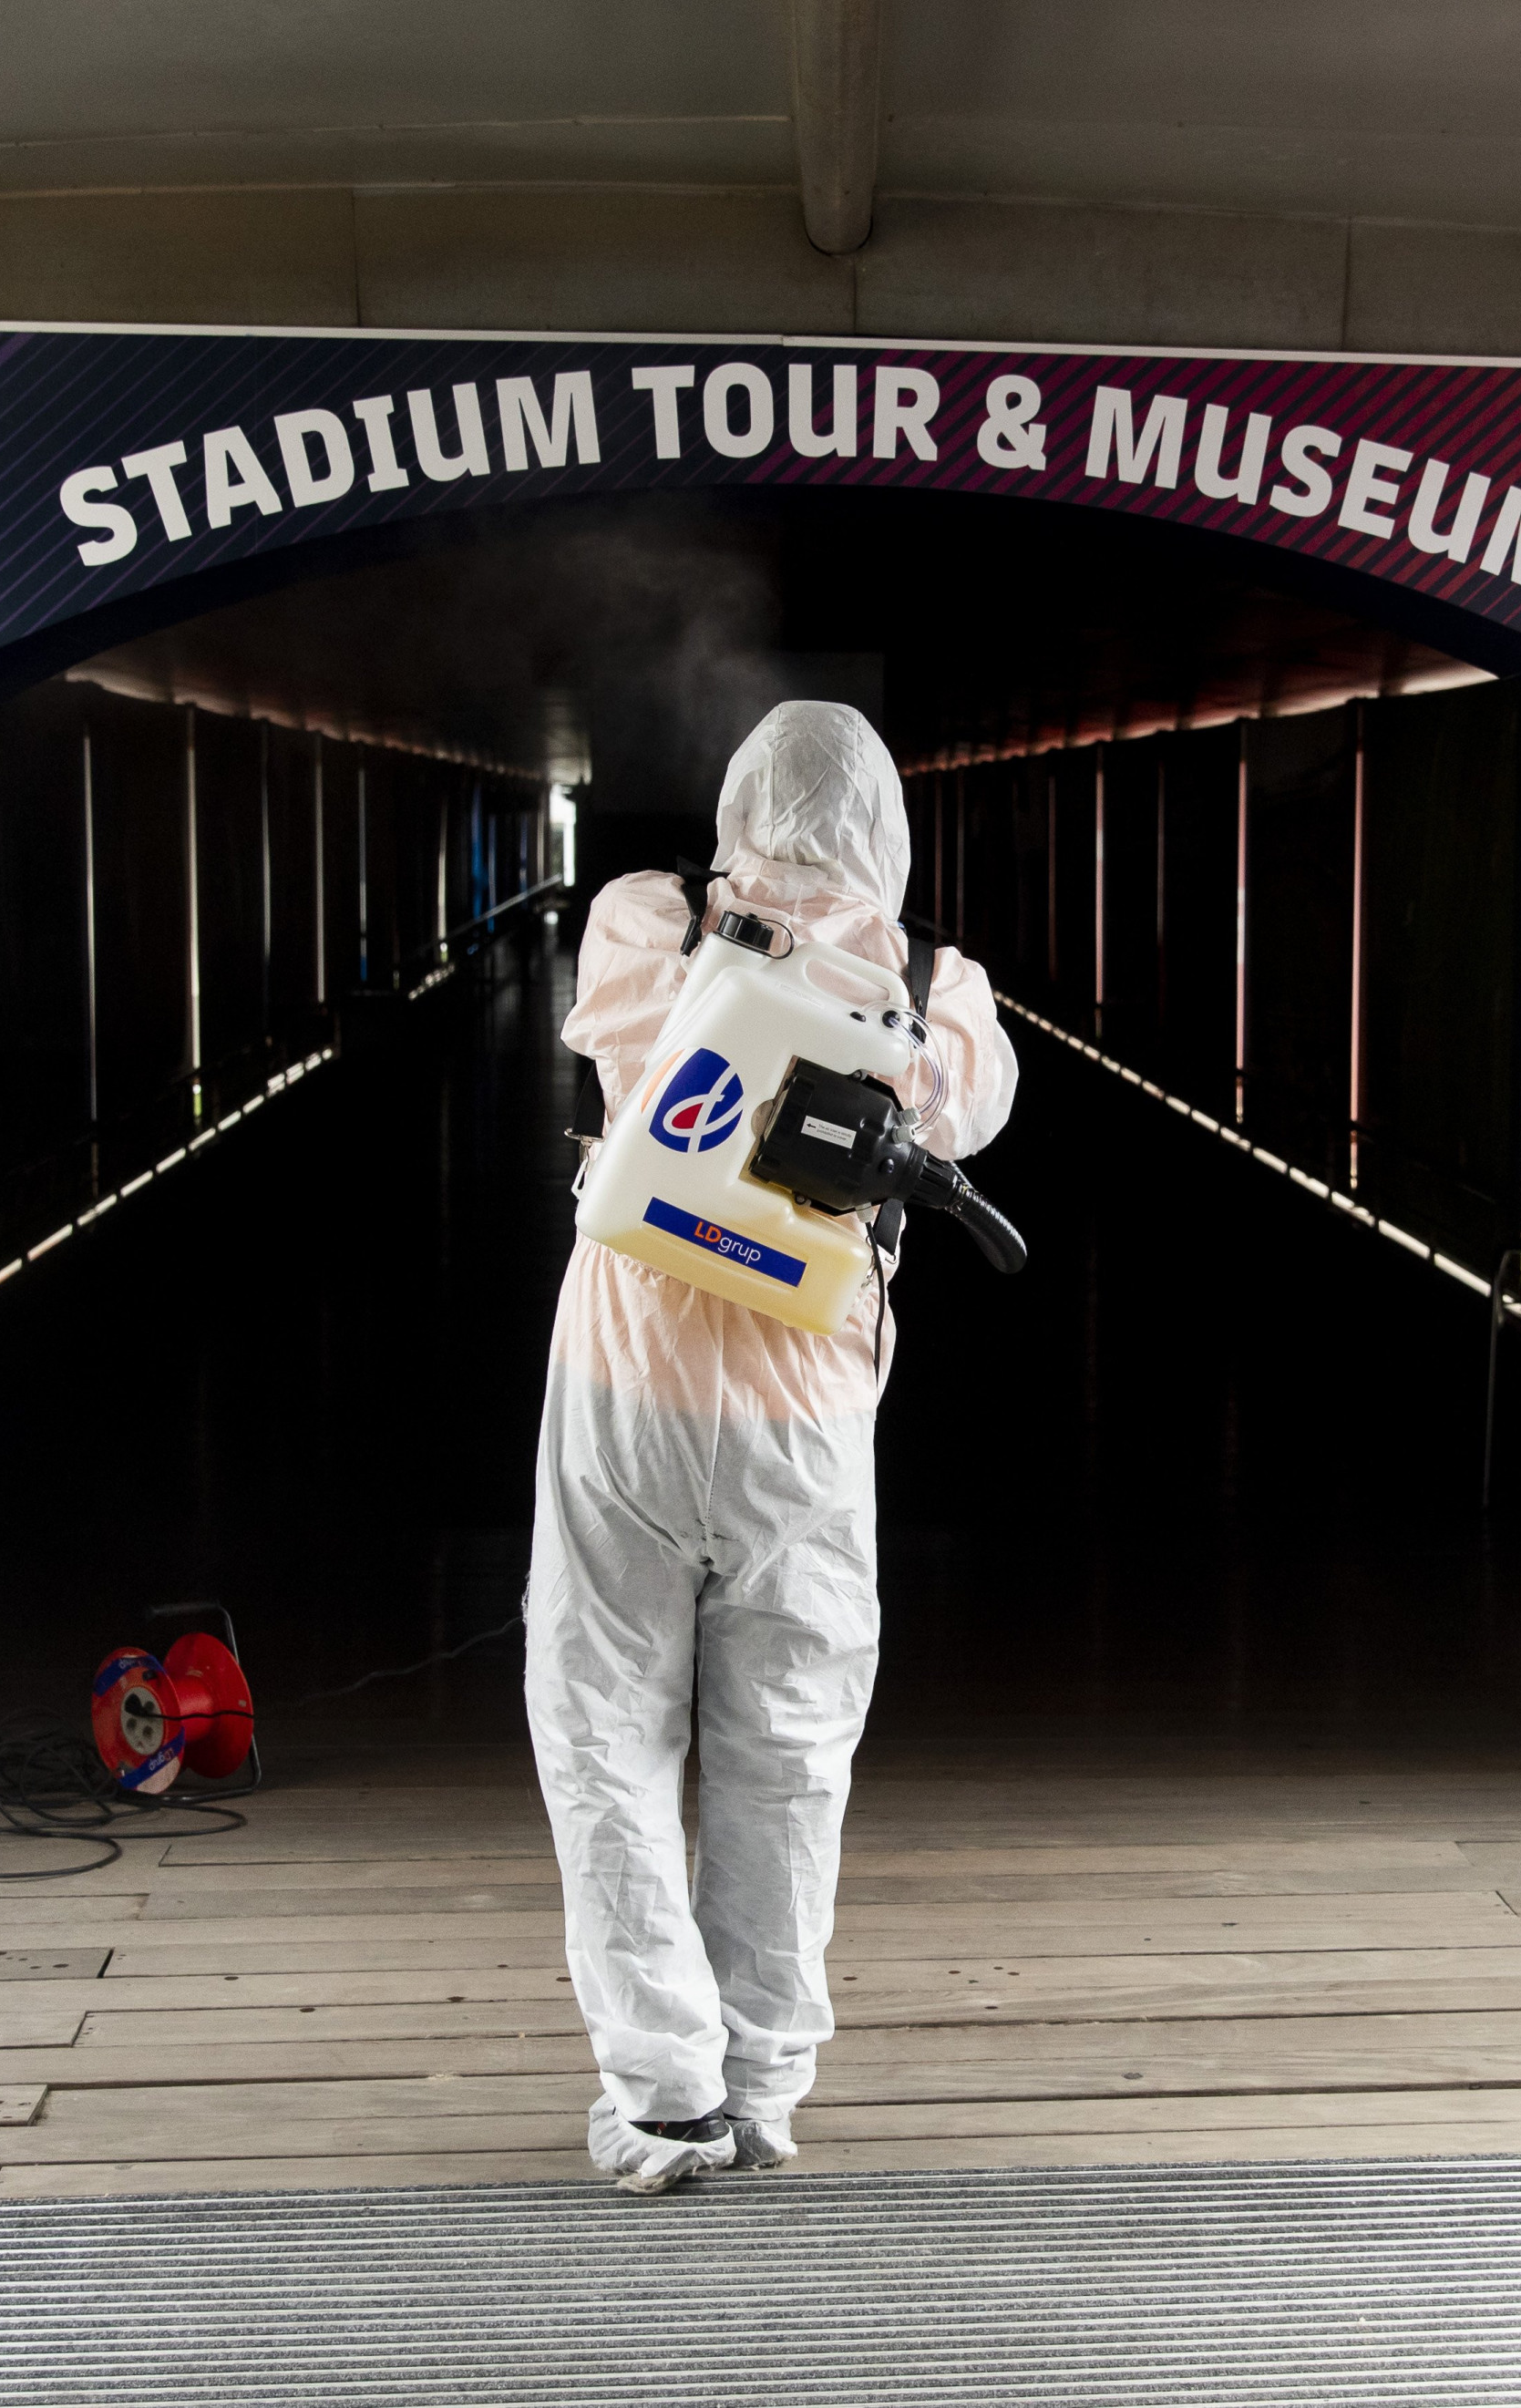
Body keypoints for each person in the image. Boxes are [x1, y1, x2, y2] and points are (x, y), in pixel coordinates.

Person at [524, 702, 1020, 2195]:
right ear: (891, 826)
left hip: (628, 1385)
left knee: (604, 1726)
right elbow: (974, 1117)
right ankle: (764, 2083)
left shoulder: (644, 925)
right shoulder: (936, 991)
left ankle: (661, 2093)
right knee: (788, 1747)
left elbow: (609, 1036)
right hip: (803, 1423)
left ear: (739, 798)